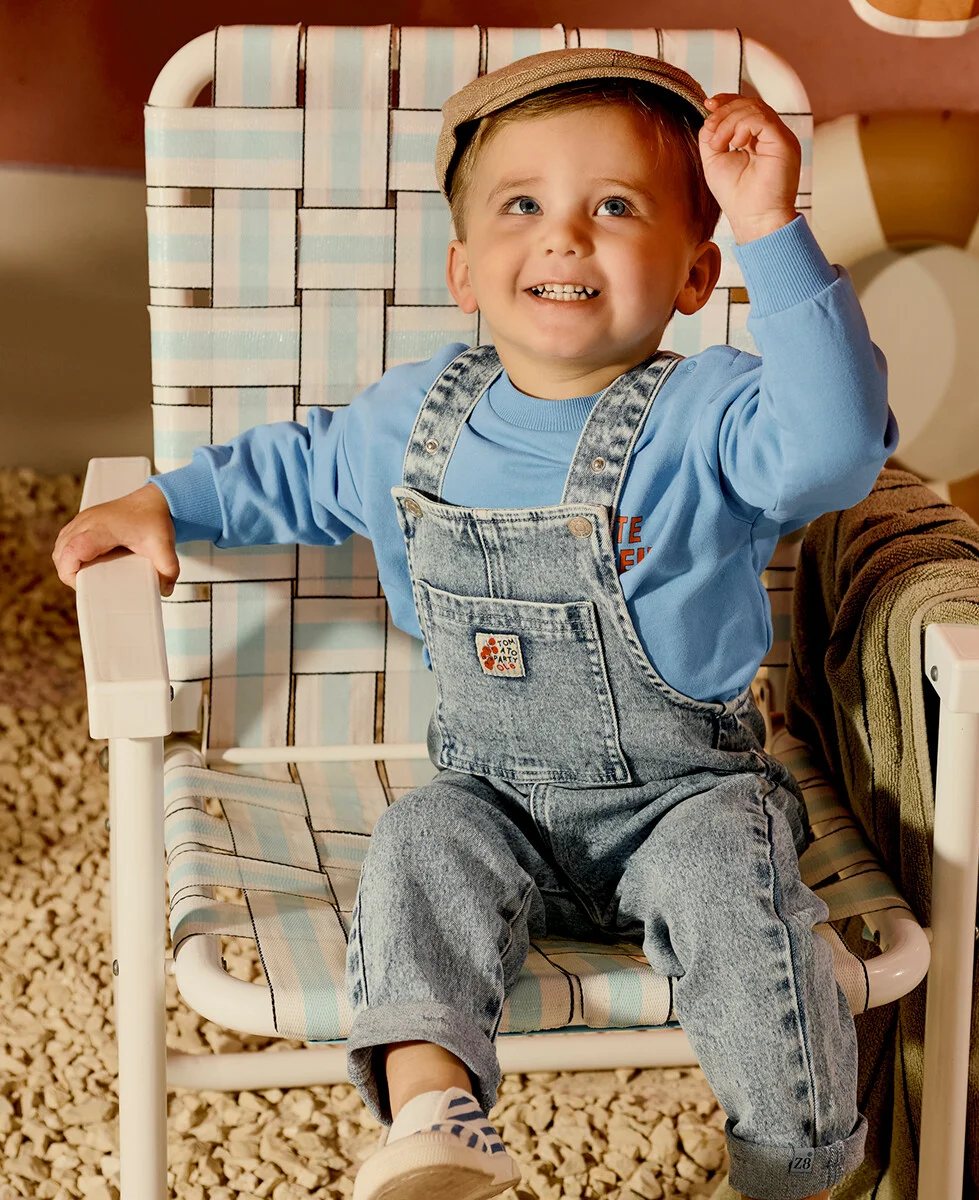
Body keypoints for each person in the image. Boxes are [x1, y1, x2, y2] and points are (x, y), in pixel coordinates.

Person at [53, 47, 897, 1200]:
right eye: (522, 206)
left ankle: (795, 1168)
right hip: (494, 800)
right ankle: (435, 1115)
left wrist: (770, 226)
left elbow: (839, 444)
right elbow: (291, 473)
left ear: (698, 273)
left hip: (685, 800)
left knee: (743, 906)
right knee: (415, 845)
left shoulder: (716, 414)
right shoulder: (411, 420)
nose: (566, 236)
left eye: (616, 206)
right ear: (462, 269)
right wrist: (166, 503)